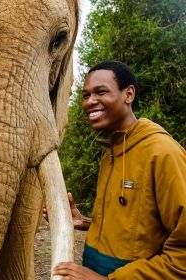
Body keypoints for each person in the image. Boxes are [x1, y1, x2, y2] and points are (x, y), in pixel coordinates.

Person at [46, 60, 186, 279]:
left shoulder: (163, 153)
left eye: (101, 92)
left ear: (128, 94)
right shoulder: (111, 150)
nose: (90, 101)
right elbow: (139, 231)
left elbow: (182, 255)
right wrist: (84, 222)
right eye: (85, 95)